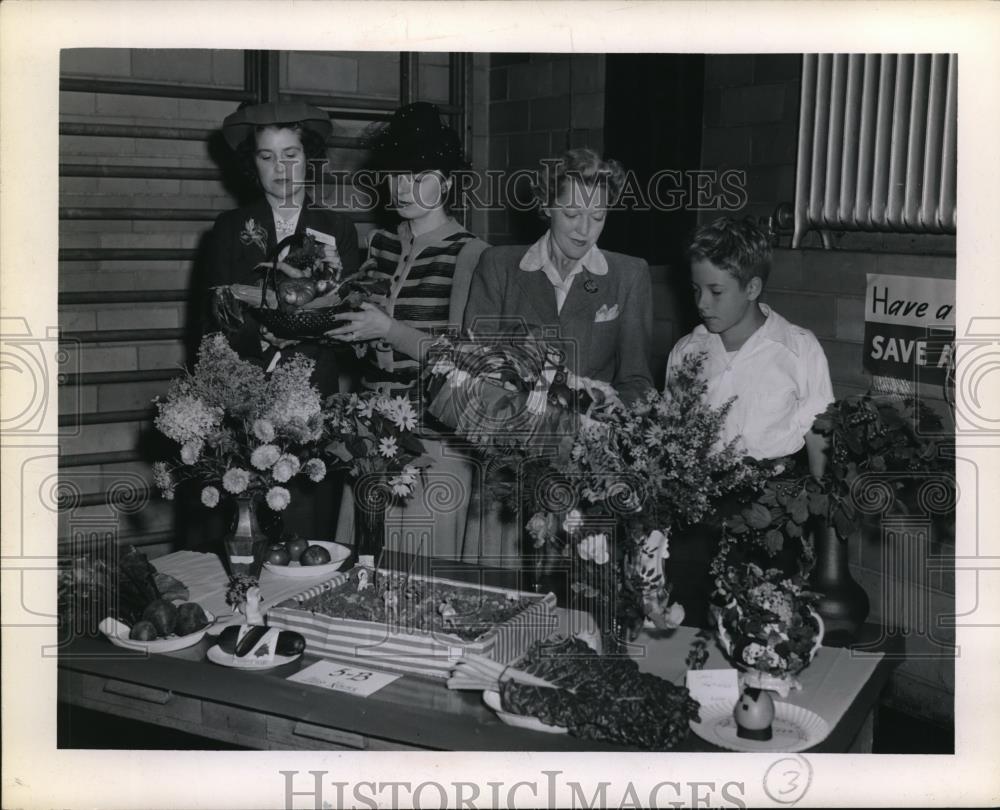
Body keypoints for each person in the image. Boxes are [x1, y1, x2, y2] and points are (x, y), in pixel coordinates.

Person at [461, 147, 654, 565]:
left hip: (590, 478)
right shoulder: (498, 266)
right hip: (507, 477)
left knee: (576, 608)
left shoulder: (629, 275)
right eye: (571, 214)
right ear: (547, 205)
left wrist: (605, 421)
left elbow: (637, 381)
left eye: (598, 217)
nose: (585, 230)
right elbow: (474, 374)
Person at [327, 101, 489, 562]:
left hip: (437, 440)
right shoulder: (380, 243)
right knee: (364, 567)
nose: (403, 188)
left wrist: (389, 329)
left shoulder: (472, 254)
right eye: (397, 175)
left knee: (423, 576)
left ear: (449, 182)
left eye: (419, 177)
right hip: (371, 432)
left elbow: (466, 360)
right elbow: (362, 339)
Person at [198, 101, 360, 541]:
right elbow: (214, 317)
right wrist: (262, 336)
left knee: (308, 528)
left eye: (291, 154)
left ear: (309, 159)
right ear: (252, 164)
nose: (281, 168)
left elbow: (351, 313)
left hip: (313, 393)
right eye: (267, 156)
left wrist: (305, 331)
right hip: (246, 389)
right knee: (245, 524)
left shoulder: (338, 229)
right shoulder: (230, 227)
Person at [663, 216, 835, 624]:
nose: (701, 302)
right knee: (689, 621)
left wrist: (819, 523)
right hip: (699, 512)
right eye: (695, 289)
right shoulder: (687, 352)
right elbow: (673, 442)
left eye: (716, 291)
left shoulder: (798, 349)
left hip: (770, 512)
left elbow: (819, 440)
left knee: (762, 628)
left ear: (752, 288)